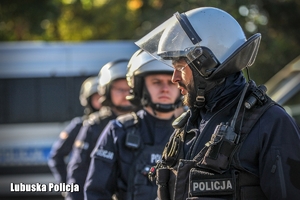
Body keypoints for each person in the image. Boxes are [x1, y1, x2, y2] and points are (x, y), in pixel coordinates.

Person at [135, 7, 300, 200]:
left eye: (180, 67)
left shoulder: (270, 123)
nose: (174, 78)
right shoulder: (188, 125)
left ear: (207, 65)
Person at [84, 49, 182, 200]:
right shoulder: (118, 131)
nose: (165, 89)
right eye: (156, 82)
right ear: (140, 86)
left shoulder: (192, 130)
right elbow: (96, 192)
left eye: (171, 82)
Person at [66, 59, 136, 200]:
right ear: (107, 90)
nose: (125, 94)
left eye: (129, 89)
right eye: (119, 89)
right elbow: (78, 172)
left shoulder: (144, 122)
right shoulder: (95, 125)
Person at [48, 76, 101, 186]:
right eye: (97, 98)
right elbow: (56, 157)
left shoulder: (119, 125)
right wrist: (66, 185)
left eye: (103, 97)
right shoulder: (80, 126)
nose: (101, 101)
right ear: (88, 100)